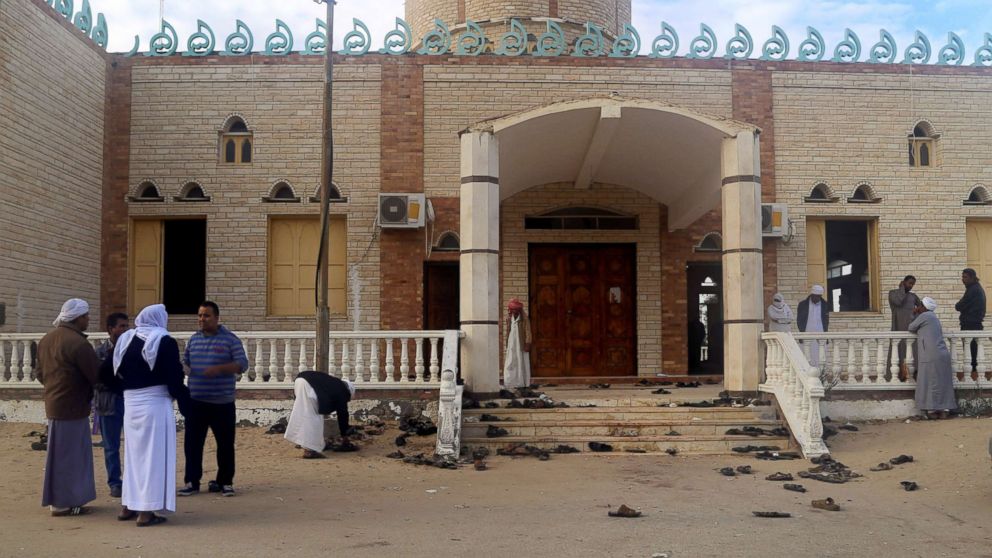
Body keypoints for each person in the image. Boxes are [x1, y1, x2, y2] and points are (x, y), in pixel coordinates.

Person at [104, 304, 190, 527]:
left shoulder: (126, 339)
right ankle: (146, 512)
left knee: (133, 457)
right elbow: (173, 377)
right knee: (153, 457)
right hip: (155, 403)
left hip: (131, 405)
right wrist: (184, 399)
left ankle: (128, 506)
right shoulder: (164, 341)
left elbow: (104, 372)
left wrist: (125, 390)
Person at [37, 298, 100, 517]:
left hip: (54, 404)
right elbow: (95, 376)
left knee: (59, 455)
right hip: (73, 407)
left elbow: (39, 374)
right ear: (78, 317)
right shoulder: (78, 343)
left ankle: (61, 500)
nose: (88, 320)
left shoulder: (47, 339)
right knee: (71, 457)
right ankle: (64, 502)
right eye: (86, 316)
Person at [179, 301, 248, 498]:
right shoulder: (193, 340)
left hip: (222, 403)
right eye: (200, 315)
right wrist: (183, 369)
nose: (202, 319)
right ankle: (192, 482)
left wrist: (220, 369)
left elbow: (242, 364)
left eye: (206, 315)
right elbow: (187, 362)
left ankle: (225, 482)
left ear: (217, 318)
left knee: (225, 444)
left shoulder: (230, 340)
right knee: (192, 444)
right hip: (196, 402)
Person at [94, 312, 129, 498]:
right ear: (110, 329)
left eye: (126, 326)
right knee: (111, 446)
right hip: (108, 402)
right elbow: (96, 378)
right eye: (121, 326)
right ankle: (115, 482)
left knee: (134, 444)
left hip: (130, 402)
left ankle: (132, 481)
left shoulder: (133, 350)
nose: (124, 330)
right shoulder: (100, 352)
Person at [284, 371, 355, 459]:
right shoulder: (342, 391)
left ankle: (303, 443)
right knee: (314, 418)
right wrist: (344, 435)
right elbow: (343, 414)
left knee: (303, 414)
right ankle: (309, 451)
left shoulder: (333, 384)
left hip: (299, 381)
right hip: (308, 385)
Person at [908, 297, 957, 419]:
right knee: (942, 382)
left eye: (920, 305)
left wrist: (914, 313)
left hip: (931, 355)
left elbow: (911, 327)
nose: (918, 307)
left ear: (924, 307)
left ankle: (931, 410)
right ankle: (944, 410)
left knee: (929, 381)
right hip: (941, 354)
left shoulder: (925, 316)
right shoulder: (933, 317)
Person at [888, 276, 921, 381]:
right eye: (909, 283)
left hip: (911, 329)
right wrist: (902, 289)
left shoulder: (913, 296)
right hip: (897, 327)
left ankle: (912, 375)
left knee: (912, 353)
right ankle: (898, 376)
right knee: (898, 352)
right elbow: (898, 302)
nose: (911, 286)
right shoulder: (893, 293)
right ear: (904, 282)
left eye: (913, 284)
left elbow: (922, 308)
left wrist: (916, 313)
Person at [955, 268, 986, 373]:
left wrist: (959, 305)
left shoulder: (973, 289)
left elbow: (959, 306)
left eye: (965, 277)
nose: (963, 279)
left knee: (972, 355)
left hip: (971, 325)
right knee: (972, 354)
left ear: (972, 278)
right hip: (972, 324)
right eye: (962, 277)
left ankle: (974, 379)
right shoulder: (974, 288)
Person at [797, 285, 830, 367]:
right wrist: (801, 333)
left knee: (820, 354)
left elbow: (826, 320)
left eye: (819, 297)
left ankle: (820, 374)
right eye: (815, 296)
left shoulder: (825, 305)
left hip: (821, 332)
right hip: (807, 332)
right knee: (806, 353)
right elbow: (799, 320)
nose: (817, 298)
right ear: (811, 295)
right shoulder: (802, 304)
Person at [502, 298, 532, 389]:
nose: (514, 311)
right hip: (512, 343)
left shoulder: (524, 318)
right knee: (510, 362)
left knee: (521, 362)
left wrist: (528, 343)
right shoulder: (509, 318)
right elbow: (508, 332)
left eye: (515, 310)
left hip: (521, 343)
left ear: (519, 310)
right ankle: (510, 382)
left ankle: (522, 383)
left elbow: (528, 331)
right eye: (512, 310)